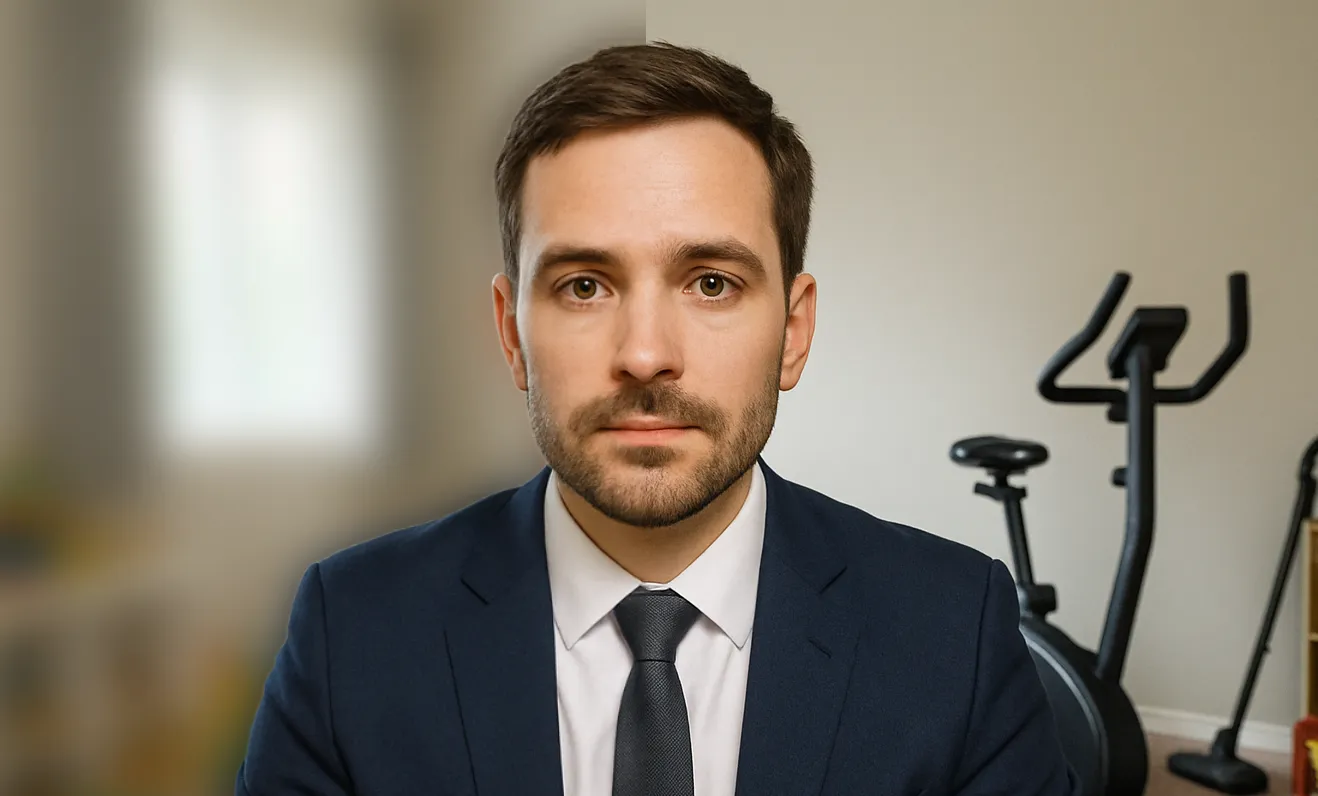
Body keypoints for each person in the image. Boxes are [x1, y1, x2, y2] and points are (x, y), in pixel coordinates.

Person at [235, 41, 1078, 796]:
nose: (644, 354)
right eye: (584, 285)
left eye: (711, 281)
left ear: (794, 330)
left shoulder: (953, 629)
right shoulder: (352, 628)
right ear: (511, 333)